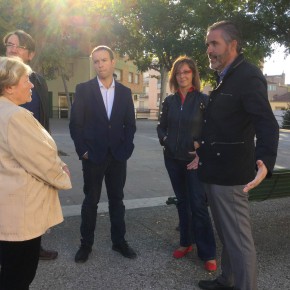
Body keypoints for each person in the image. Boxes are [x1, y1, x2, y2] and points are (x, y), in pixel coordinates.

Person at [196, 21, 279, 290]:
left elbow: (267, 123)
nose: (208, 49)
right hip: (215, 171)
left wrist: (265, 161)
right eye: (207, 44)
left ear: (233, 45)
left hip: (232, 176)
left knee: (240, 243)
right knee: (227, 236)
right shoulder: (225, 77)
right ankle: (228, 280)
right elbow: (222, 125)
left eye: (214, 43)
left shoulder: (248, 76)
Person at [0, 56, 71, 289]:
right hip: (20, 215)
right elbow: (41, 161)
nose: (31, 85)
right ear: (9, 86)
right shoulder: (15, 116)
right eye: (26, 80)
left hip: (6, 210)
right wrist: (61, 173)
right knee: (19, 276)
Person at [69, 45, 137, 263]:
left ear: (112, 61)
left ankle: (119, 242)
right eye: (96, 61)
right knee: (91, 201)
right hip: (93, 156)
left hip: (117, 156)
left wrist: (126, 149)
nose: (100, 65)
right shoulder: (83, 89)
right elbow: (75, 124)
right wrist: (83, 151)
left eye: (104, 60)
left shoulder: (125, 92)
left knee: (117, 200)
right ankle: (85, 245)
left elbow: (130, 125)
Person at [157, 56, 217, 272]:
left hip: (194, 161)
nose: (182, 76)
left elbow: (212, 131)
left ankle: (208, 252)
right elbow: (161, 127)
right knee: (182, 203)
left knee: (198, 205)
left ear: (193, 74)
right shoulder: (169, 101)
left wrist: (201, 149)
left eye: (186, 72)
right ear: (174, 76)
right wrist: (166, 140)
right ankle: (186, 243)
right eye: (179, 73)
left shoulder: (203, 100)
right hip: (172, 160)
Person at [3, 29, 58, 260]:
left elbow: (44, 119)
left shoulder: (37, 81)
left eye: (19, 46)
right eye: (10, 44)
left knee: (34, 201)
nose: (13, 49)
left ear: (30, 54)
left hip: (33, 153)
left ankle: (35, 244)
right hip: (7, 156)